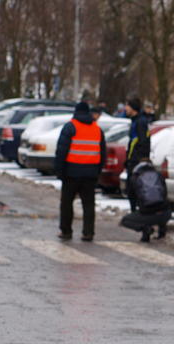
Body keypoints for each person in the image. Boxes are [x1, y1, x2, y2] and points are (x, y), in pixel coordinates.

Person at [54, 101, 106, 241]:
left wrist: (59, 171)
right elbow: (103, 153)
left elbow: (61, 151)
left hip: (71, 172)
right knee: (88, 204)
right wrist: (97, 171)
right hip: (90, 173)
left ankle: (66, 231)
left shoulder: (70, 127)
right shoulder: (97, 129)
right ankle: (88, 232)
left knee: (67, 203)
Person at [120, 158, 171, 242]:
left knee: (125, 220)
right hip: (165, 213)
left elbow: (133, 197)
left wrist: (135, 211)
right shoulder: (158, 175)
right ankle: (162, 233)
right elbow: (164, 194)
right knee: (160, 206)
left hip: (147, 212)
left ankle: (146, 230)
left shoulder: (136, 177)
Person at [125, 98, 151, 212]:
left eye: (127, 106)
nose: (125, 108)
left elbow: (143, 142)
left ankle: (138, 214)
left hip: (137, 162)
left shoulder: (140, 122)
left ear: (133, 107)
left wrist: (139, 160)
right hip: (133, 160)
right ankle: (135, 213)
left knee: (135, 190)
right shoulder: (136, 120)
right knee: (131, 190)